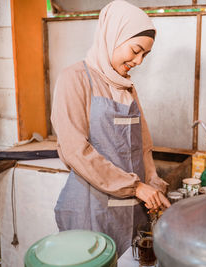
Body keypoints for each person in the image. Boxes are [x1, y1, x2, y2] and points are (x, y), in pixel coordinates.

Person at [51, 0, 170, 257]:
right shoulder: (75, 78)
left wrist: (153, 182)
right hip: (91, 209)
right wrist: (136, 187)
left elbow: (143, 144)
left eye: (145, 55)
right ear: (113, 35)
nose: (138, 61)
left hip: (130, 210)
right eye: (135, 50)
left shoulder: (126, 86)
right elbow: (75, 150)